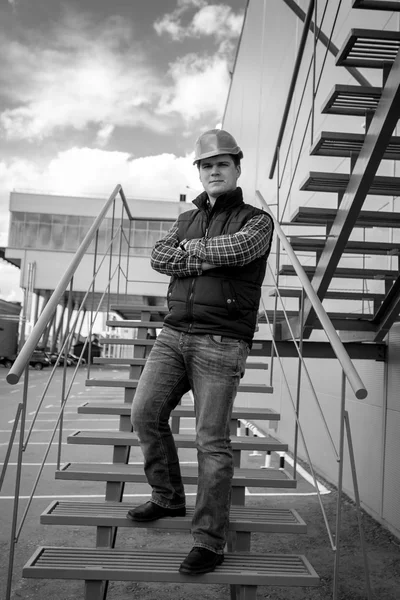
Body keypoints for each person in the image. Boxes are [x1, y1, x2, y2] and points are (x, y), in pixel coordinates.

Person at [127, 129, 273, 575]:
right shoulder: (185, 218)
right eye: (206, 165)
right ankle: (168, 498)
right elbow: (158, 257)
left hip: (222, 340)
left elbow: (241, 249)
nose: (213, 170)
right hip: (173, 335)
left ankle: (209, 540)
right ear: (199, 171)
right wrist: (205, 254)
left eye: (222, 164)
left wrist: (191, 253)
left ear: (236, 168)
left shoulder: (257, 219)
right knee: (144, 414)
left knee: (211, 441)